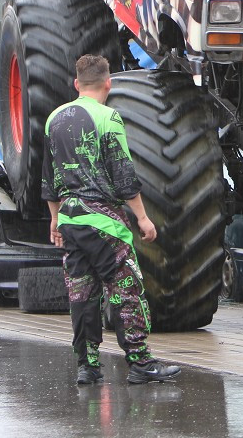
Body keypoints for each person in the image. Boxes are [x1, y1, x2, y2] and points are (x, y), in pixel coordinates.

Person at [42, 54, 181, 386]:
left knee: (82, 294)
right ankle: (140, 364)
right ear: (109, 84)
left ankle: (87, 366)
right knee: (125, 289)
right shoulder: (109, 118)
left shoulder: (54, 120)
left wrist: (54, 219)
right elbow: (123, 176)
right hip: (105, 224)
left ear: (77, 84)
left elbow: (49, 179)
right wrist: (144, 218)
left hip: (70, 222)